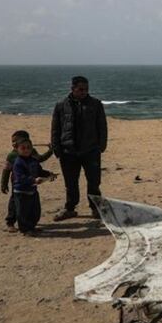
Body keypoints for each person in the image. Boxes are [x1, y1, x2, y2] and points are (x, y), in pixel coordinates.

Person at [51, 76, 107, 220]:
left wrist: (101, 146)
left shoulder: (95, 104)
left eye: (86, 89)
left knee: (94, 182)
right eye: (81, 89)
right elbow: (56, 128)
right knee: (70, 183)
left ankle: (95, 208)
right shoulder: (61, 105)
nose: (84, 92)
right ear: (73, 88)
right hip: (68, 151)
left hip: (91, 150)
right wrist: (57, 149)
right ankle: (70, 208)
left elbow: (102, 126)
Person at [0, 130, 53, 232]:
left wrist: (50, 151)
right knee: (15, 202)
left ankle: (29, 224)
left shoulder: (32, 152)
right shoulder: (12, 155)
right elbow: (6, 171)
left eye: (15, 141)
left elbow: (40, 159)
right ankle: (11, 222)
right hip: (18, 184)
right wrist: (4, 184)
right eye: (12, 141)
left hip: (31, 184)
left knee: (30, 205)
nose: (13, 143)